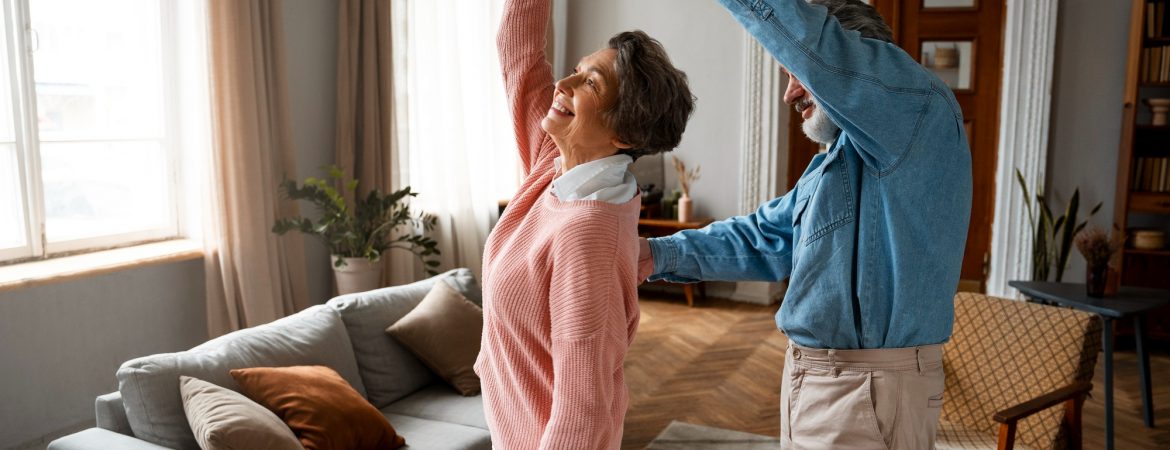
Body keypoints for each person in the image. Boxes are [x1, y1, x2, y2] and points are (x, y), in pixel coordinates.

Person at [638, 0, 971, 448]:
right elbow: (768, 238)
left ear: (850, 61)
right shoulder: (842, 157)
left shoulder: (915, 110)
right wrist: (654, 254)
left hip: (866, 387)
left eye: (797, 73)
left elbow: (806, 37)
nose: (789, 95)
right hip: (826, 383)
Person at [473, 0, 695, 448]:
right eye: (577, 70)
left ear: (624, 133)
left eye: (590, 83)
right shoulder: (553, 164)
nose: (563, 84)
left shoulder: (587, 235)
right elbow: (518, 50)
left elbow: (584, 409)